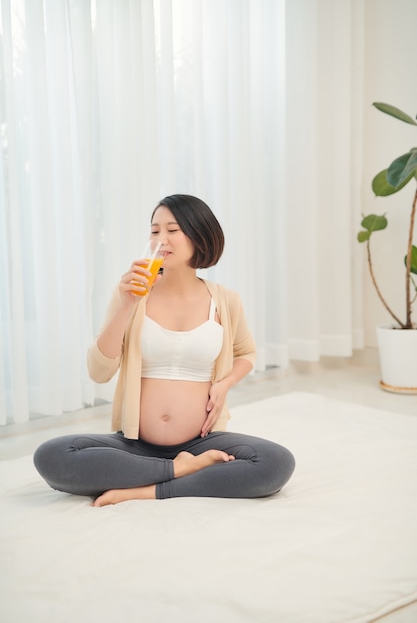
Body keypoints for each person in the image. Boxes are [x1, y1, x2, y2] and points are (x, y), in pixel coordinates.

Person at [33, 194, 295, 506]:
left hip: (202, 442)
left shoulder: (225, 300)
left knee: (276, 463)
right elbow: (98, 371)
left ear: (199, 235)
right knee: (52, 456)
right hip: (135, 443)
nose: (161, 239)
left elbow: (246, 353)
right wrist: (126, 305)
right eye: (155, 231)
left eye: (173, 230)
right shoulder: (132, 295)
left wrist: (224, 384)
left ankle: (149, 487)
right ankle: (179, 470)